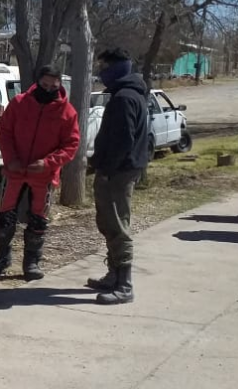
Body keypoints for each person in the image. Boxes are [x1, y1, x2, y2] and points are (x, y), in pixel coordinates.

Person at [0, 65, 80, 281]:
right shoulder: (19, 103)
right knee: (4, 217)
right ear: (37, 82)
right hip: (15, 171)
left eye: (53, 86)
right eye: (44, 85)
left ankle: (32, 261)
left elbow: (71, 145)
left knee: (38, 219)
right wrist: (11, 159)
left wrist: (48, 162)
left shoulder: (67, 112)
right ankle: (2, 257)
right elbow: (5, 131)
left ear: (59, 85)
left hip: (43, 175)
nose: (48, 89)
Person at [86, 48, 150, 305]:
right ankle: (114, 275)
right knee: (110, 223)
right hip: (121, 170)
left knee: (117, 225)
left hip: (118, 173)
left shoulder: (124, 98)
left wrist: (106, 169)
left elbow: (123, 141)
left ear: (117, 68)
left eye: (105, 66)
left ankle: (124, 285)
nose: (101, 71)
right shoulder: (130, 94)